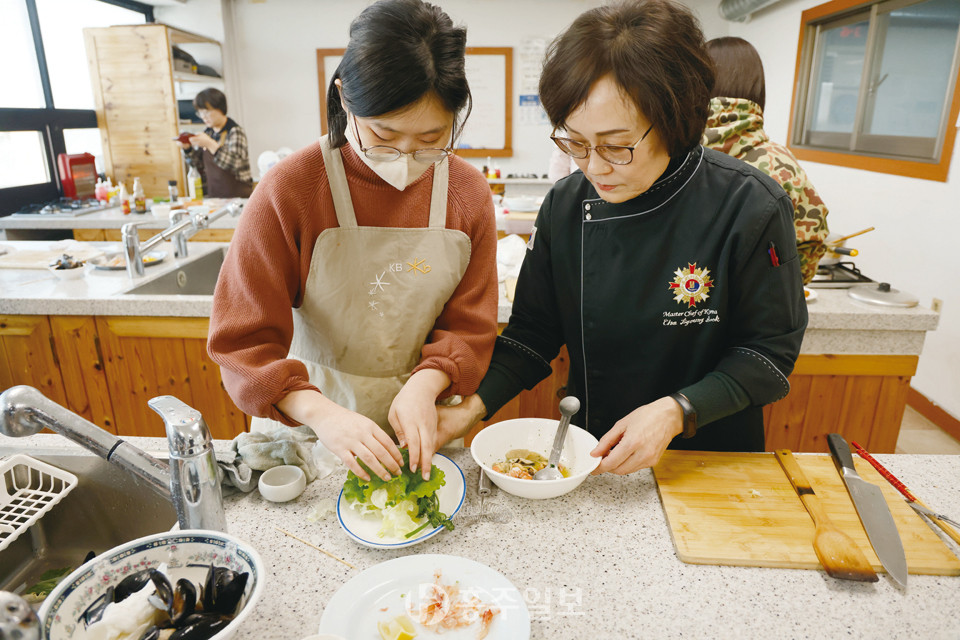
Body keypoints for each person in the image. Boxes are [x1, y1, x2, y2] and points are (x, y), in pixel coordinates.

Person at [436, 0, 807, 474]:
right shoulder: (566, 206)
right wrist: (469, 409)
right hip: (593, 454)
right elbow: (533, 334)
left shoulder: (750, 204)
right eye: (575, 142)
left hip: (712, 461)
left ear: (674, 120)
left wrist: (677, 410)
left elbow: (768, 356)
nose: (592, 166)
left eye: (616, 146)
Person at [207, 0, 499, 483]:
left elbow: (471, 327)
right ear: (344, 99)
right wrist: (323, 415)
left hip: (424, 426)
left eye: (431, 139)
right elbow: (242, 343)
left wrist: (427, 384)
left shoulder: (467, 193)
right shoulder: (293, 188)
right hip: (308, 430)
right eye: (384, 136)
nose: (406, 159)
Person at [702, 37, 829, 284]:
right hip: (755, 316)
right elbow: (809, 243)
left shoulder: (666, 153)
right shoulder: (781, 166)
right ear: (758, 91)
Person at [177, 88, 254, 198]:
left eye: (207, 112)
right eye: (200, 113)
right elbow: (198, 165)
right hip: (215, 198)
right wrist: (187, 149)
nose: (203, 117)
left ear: (220, 109)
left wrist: (210, 144)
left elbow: (235, 164)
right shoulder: (208, 133)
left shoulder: (235, 131)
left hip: (239, 197)